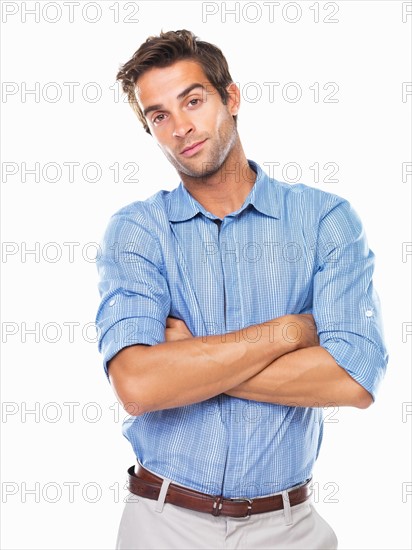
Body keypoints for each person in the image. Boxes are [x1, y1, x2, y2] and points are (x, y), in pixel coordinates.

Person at [95, 29, 388, 549]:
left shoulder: (325, 221)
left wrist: (185, 365)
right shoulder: (138, 231)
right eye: (160, 115)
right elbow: (138, 386)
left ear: (230, 97)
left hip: (289, 528)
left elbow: (353, 378)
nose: (181, 127)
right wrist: (290, 331)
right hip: (163, 523)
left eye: (193, 100)